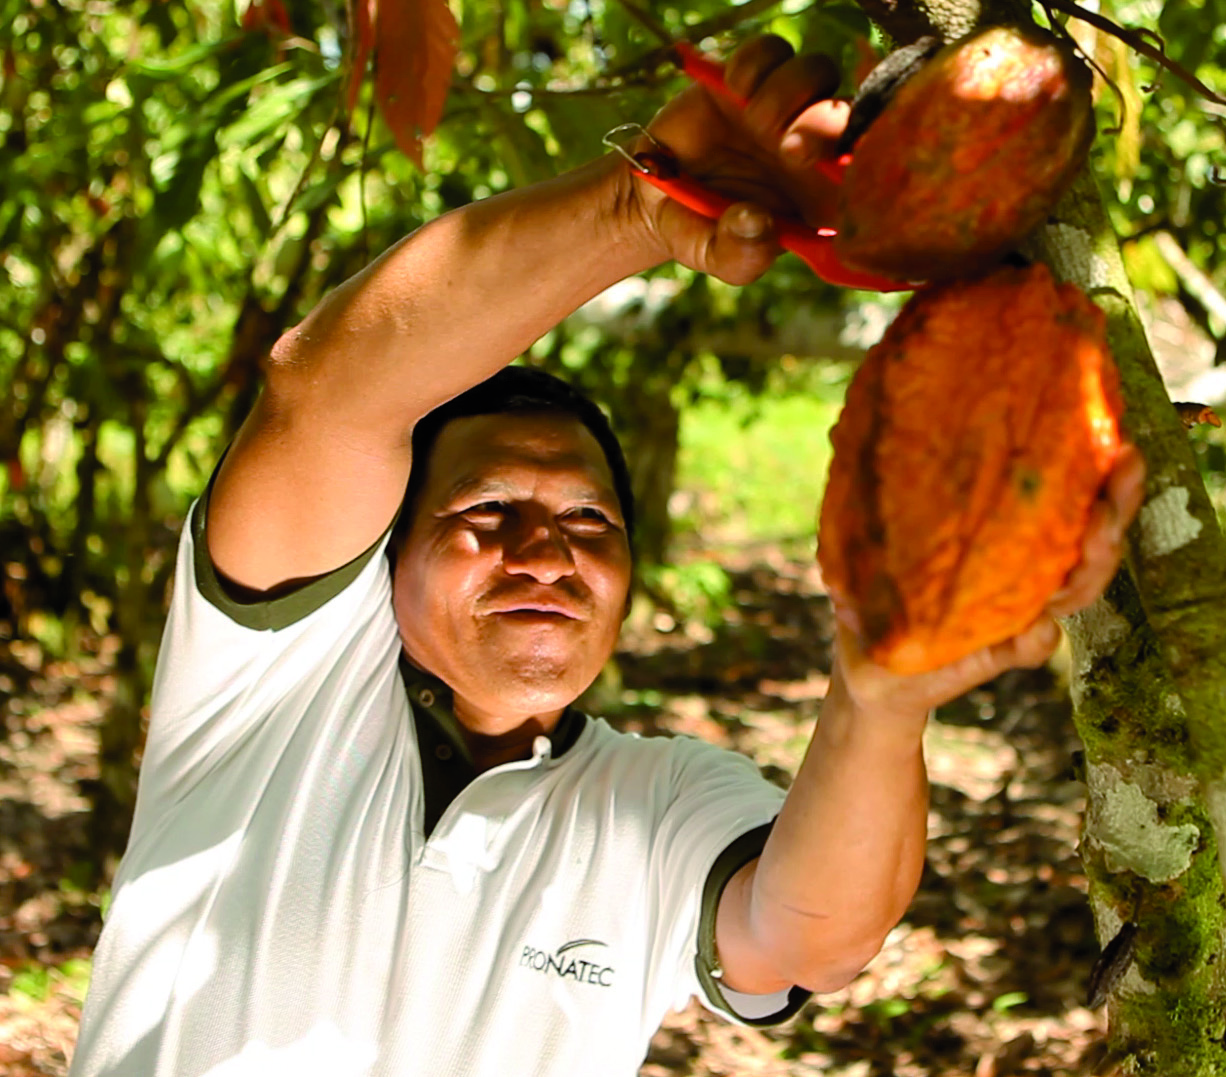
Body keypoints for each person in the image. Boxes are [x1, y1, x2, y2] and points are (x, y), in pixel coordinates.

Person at [68, 35, 1144, 1077]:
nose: (544, 554)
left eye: (590, 526)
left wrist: (882, 700)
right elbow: (327, 391)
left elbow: (809, 937)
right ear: (380, 552)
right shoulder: (274, 679)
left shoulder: (658, 800)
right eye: (486, 511)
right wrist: (638, 208)